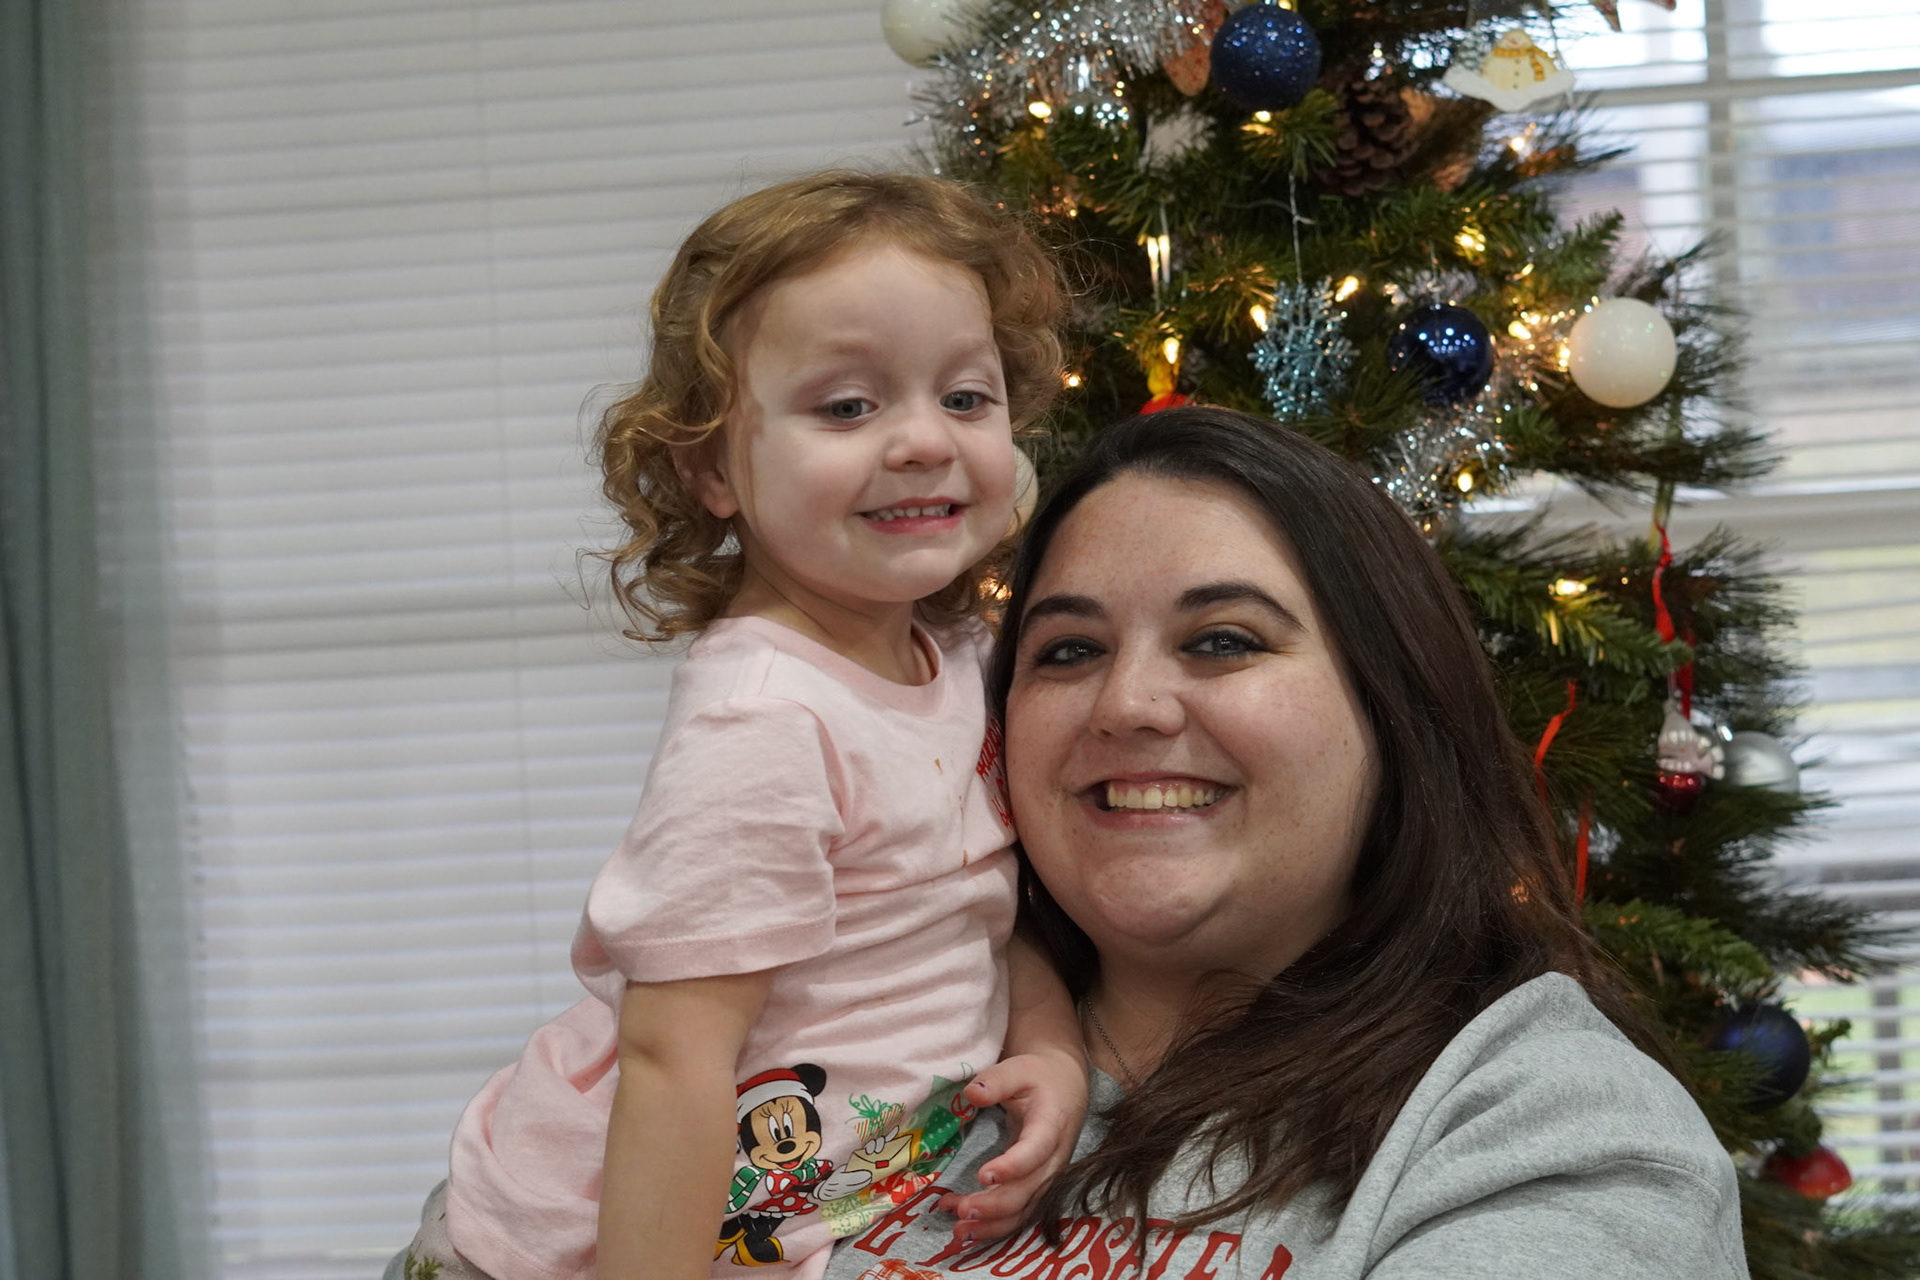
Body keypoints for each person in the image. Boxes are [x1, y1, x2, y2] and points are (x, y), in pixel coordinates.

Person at [822, 405, 1746, 1279]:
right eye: (1068, 650)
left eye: (1224, 641)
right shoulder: (877, 1035)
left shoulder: (1550, 1126)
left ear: (1391, 708)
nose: (1128, 704)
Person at [389, 171, 1089, 1280]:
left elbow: (985, 919)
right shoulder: (765, 721)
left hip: (812, 1211)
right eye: (848, 407)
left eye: (966, 397)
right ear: (712, 464)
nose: (924, 440)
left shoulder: (962, 657)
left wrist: (1050, 1050)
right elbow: (674, 1059)